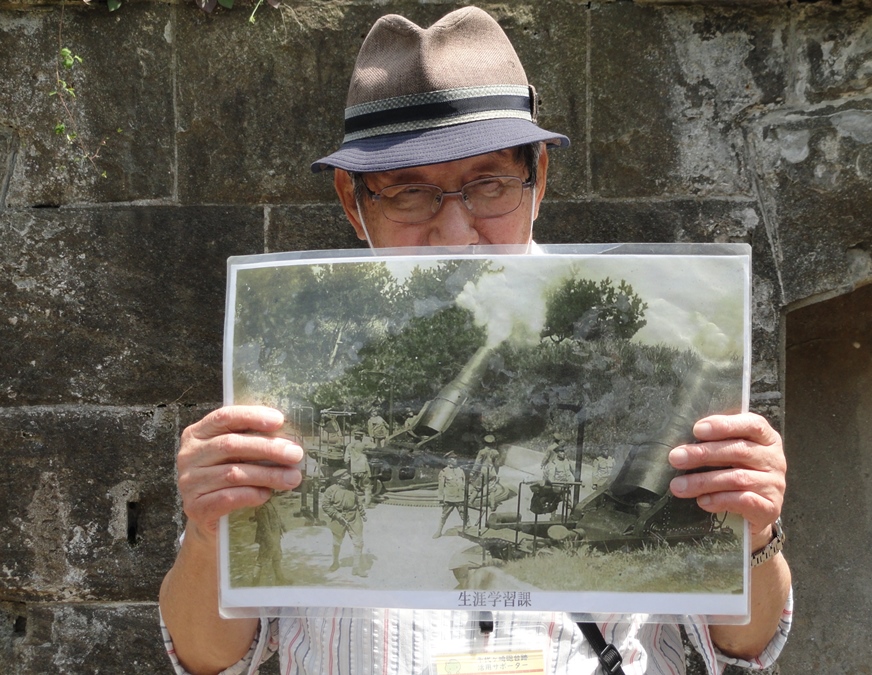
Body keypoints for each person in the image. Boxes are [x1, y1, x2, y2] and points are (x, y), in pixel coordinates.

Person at [159, 7, 792, 675]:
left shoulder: (646, 342)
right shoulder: (282, 372)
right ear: (353, 200)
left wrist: (754, 532)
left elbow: (745, 645)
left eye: (488, 184)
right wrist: (206, 532)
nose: (456, 232)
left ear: (538, 176)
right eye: (409, 193)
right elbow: (207, 657)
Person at [320, 469, 367, 577]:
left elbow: (358, 501)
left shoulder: (351, 488)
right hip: (339, 518)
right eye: (345, 479)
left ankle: (356, 568)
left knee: (358, 542)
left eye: (348, 479)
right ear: (339, 480)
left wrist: (362, 513)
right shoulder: (331, 490)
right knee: (337, 543)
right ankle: (335, 562)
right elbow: (325, 505)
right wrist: (336, 515)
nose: (348, 481)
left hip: (354, 517)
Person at [250, 498, 288, 586]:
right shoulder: (261, 507)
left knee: (277, 558)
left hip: (276, 537)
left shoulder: (270, 503)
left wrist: (283, 526)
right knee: (261, 561)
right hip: (267, 540)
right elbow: (265, 526)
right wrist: (270, 541)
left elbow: (277, 516)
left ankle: (280, 579)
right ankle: (254, 584)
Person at [434, 452, 468, 538]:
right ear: (448, 460)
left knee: (464, 515)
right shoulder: (444, 472)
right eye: (453, 459)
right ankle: (439, 531)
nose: (455, 460)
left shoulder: (460, 471)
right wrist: (441, 498)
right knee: (444, 516)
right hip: (449, 498)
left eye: (456, 458)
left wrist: (466, 496)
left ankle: (469, 530)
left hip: (460, 498)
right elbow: (441, 487)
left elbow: (464, 484)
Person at [343, 428, 372, 507]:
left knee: (353, 487)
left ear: (354, 437)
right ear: (361, 437)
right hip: (364, 468)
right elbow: (373, 447)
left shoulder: (349, 446)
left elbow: (346, 459)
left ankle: (353, 503)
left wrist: (349, 467)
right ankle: (367, 504)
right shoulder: (364, 445)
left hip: (354, 469)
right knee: (367, 487)